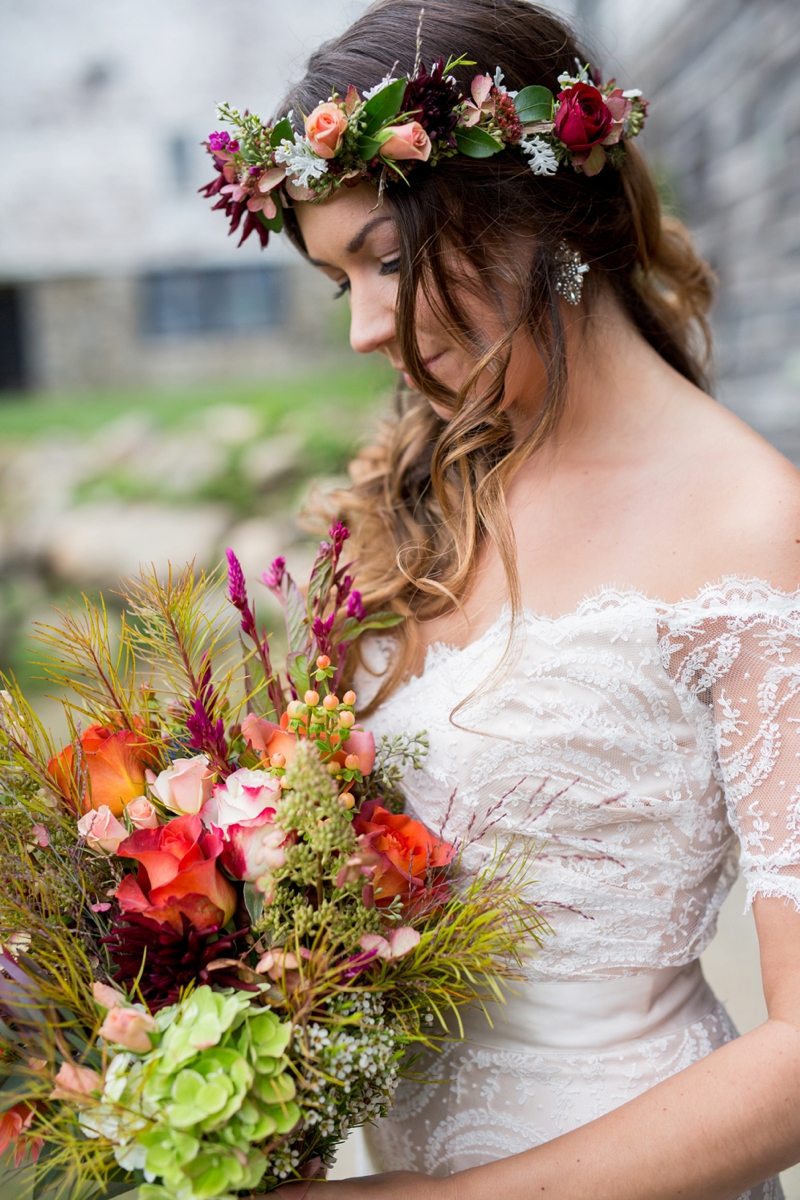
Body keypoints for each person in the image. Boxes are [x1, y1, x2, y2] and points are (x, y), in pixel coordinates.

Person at [218, 1, 800, 1196]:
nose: (365, 329)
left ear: (534, 216)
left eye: (384, 259)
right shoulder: (410, 501)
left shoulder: (756, 528)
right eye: (342, 284)